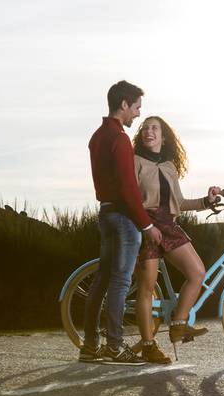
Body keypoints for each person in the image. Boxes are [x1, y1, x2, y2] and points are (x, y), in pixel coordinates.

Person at [80, 80, 163, 365]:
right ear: (124, 104)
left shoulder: (97, 136)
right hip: (124, 220)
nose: (138, 113)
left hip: (105, 214)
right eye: (136, 107)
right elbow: (129, 189)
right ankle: (115, 346)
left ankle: (90, 346)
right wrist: (147, 225)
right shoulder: (119, 138)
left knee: (102, 279)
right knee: (120, 282)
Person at [132, 116, 221, 364]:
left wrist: (206, 201)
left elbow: (179, 203)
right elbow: (130, 198)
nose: (149, 131)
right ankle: (148, 346)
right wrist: (143, 226)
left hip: (168, 225)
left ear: (163, 137)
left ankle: (179, 324)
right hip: (145, 224)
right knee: (147, 288)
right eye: (145, 128)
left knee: (197, 272)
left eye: (154, 128)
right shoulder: (135, 161)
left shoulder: (169, 166)